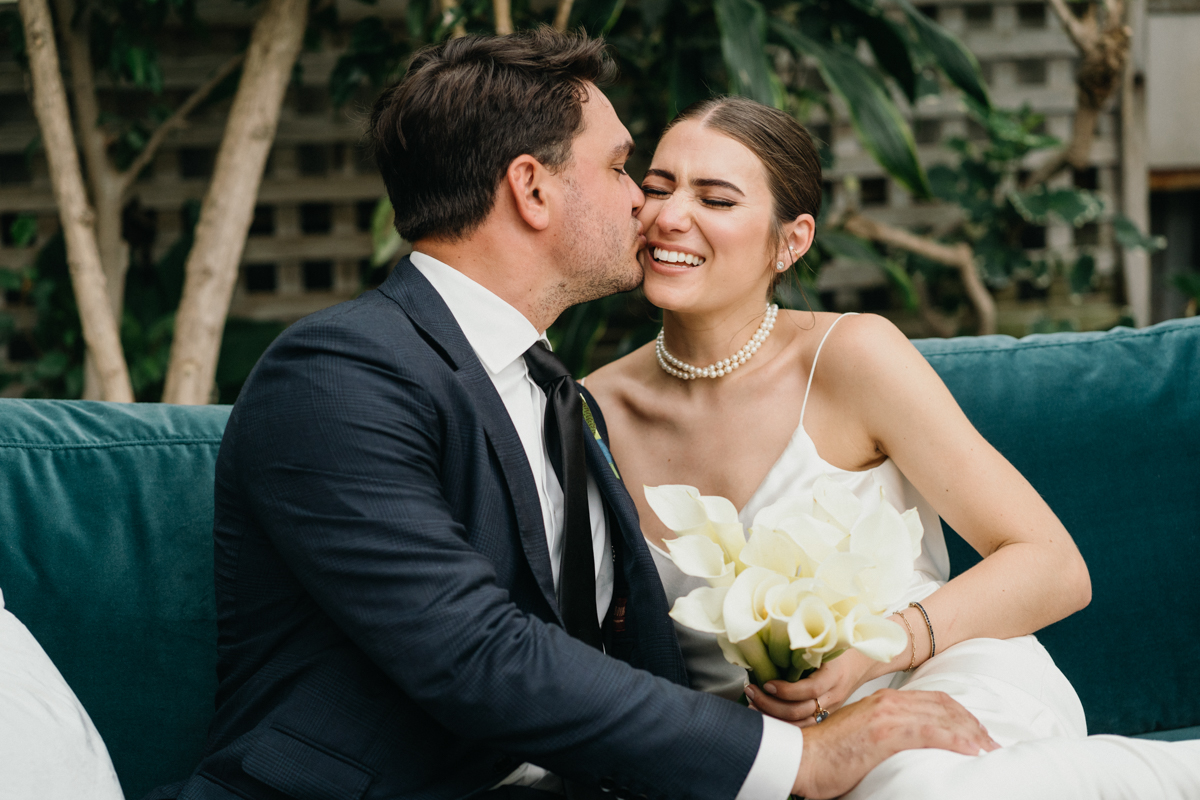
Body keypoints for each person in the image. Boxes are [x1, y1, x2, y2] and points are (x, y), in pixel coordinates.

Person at [146, 30, 999, 800]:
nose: (647, 206)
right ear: (532, 189)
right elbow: (476, 654)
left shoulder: (555, 390)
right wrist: (798, 761)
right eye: (625, 169)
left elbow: (612, 647)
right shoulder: (338, 375)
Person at [582, 95, 1200, 799]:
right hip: (775, 757)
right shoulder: (590, 412)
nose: (667, 215)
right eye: (656, 187)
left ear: (791, 241)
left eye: (715, 199)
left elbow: (1055, 566)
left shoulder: (853, 355)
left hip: (942, 681)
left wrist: (884, 649)